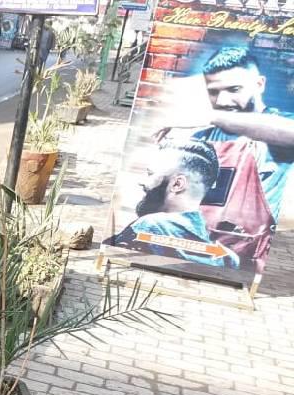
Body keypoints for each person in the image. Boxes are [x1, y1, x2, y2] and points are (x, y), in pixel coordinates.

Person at [160, 46, 294, 223]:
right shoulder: (202, 136)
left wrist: (211, 116)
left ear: (259, 85)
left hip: (248, 241)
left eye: (234, 89)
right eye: (214, 92)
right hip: (197, 234)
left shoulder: (280, 124)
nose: (222, 101)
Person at [106, 140, 241, 269]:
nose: (142, 182)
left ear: (177, 184)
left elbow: (110, 258)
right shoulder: (228, 259)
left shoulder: (149, 226)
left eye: (150, 174)